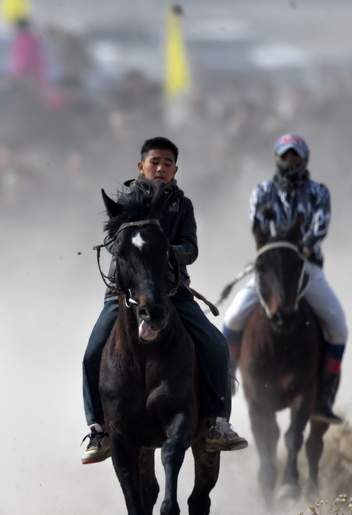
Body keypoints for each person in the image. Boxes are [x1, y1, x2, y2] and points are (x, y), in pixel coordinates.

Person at [81, 136, 248, 464]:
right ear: (141, 166)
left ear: (175, 170)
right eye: (154, 162)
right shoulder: (124, 200)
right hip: (124, 295)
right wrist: (138, 246)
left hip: (173, 292)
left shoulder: (182, 206)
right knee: (91, 355)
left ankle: (218, 423)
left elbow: (191, 249)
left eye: (167, 163)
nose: (160, 168)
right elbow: (110, 241)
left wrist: (166, 251)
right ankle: (98, 429)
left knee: (216, 345)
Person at [222, 133, 347, 425]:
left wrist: (303, 246)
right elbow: (258, 225)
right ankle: (225, 383)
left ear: (304, 159)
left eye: (295, 156)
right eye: (285, 155)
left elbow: (320, 227)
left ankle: (323, 397)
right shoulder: (262, 191)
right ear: (277, 158)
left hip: (306, 267)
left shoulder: (318, 192)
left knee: (338, 328)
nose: (290, 161)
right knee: (232, 318)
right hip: (269, 268)